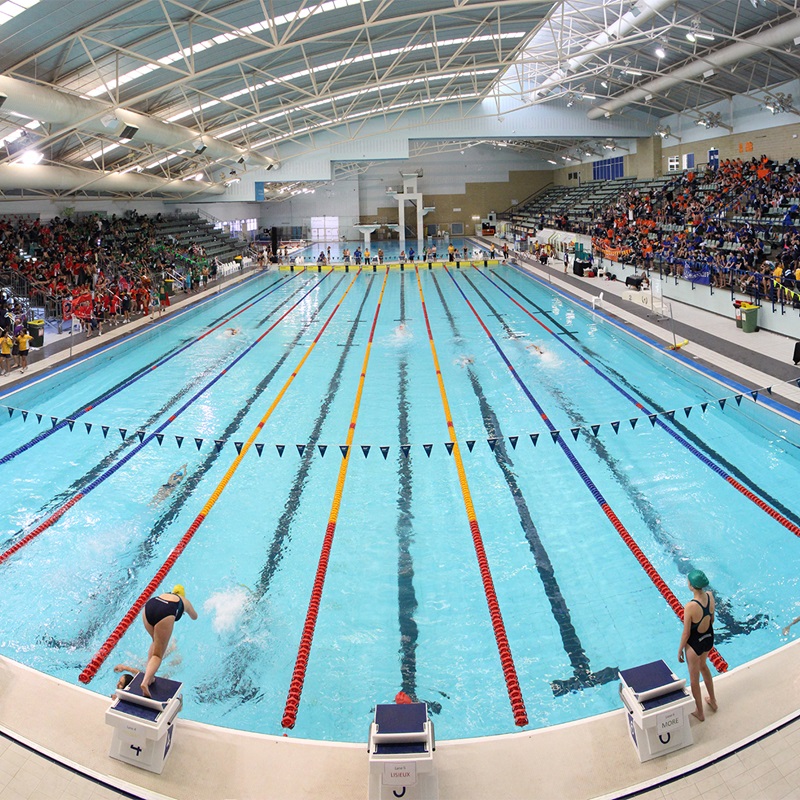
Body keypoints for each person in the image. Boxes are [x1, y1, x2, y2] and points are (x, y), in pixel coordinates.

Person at [141, 585, 197, 697]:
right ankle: (145, 682)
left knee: (155, 642)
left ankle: (150, 675)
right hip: (166, 611)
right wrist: (186, 611)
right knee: (157, 655)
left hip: (150, 606)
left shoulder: (166, 594)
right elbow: (194, 616)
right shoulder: (184, 601)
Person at [678, 569, 718, 721]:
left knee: (694, 679)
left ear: (691, 586)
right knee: (704, 666)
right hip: (708, 637)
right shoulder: (710, 596)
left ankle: (700, 712)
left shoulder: (690, 606)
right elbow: (712, 619)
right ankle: (713, 701)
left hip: (694, 644)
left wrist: (680, 649)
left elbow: (686, 633)